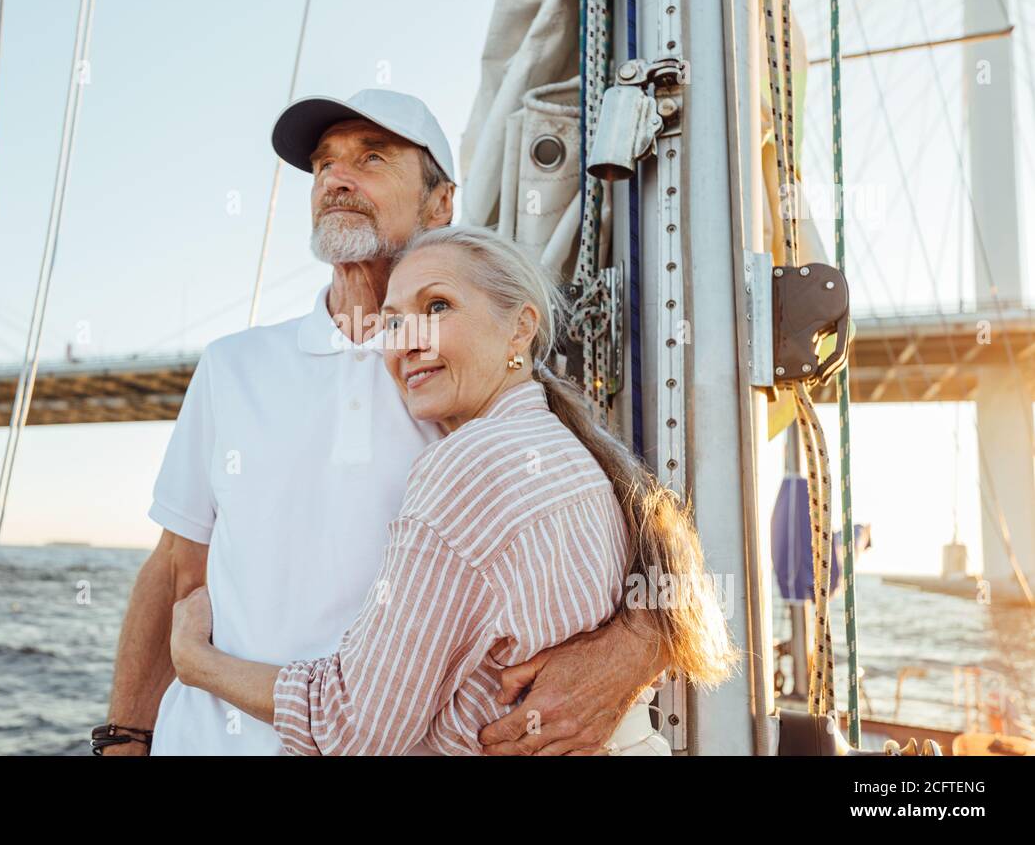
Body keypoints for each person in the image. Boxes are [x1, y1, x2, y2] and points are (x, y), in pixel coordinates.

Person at [99, 89, 675, 756]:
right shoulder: (232, 366)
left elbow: (637, 542)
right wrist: (123, 736)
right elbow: (175, 566)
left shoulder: (466, 380)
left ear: (441, 202)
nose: (336, 178)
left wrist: (632, 649)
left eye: (371, 157)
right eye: (322, 165)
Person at [168, 226, 738, 754]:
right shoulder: (566, 447)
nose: (406, 343)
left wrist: (197, 663)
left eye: (436, 308)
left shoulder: (469, 465)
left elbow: (353, 726)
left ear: (520, 326)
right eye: (392, 323)